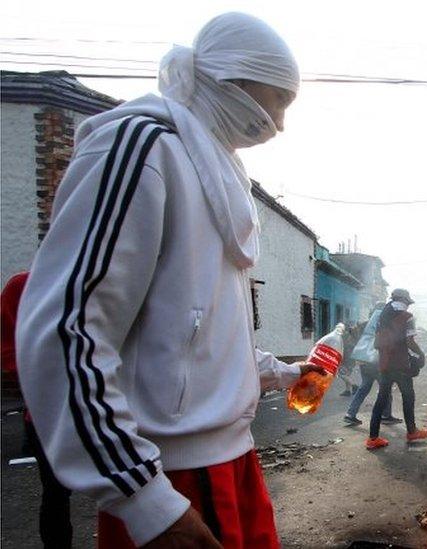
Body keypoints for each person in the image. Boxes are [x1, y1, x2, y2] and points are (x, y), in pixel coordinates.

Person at [14, 13, 324, 547]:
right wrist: (144, 500)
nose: (279, 122)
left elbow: (198, 334)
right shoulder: (139, 147)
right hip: (173, 478)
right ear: (238, 80)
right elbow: (67, 330)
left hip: (234, 459)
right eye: (280, 101)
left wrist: (280, 372)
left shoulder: (217, 166)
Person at [4, 272, 75, 548]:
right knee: (56, 495)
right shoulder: (24, 285)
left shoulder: (108, 279)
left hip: (104, 410)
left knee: (121, 495)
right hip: (49, 417)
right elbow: (6, 340)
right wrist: (35, 384)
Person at [366, 289, 427, 450]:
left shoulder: (383, 315)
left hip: (385, 364)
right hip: (400, 364)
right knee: (408, 396)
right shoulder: (407, 317)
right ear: (405, 301)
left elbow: (378, 340)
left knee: (381, 399)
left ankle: (372, 438)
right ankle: (412, 431)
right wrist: (420, 354)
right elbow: (409, 341)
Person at [345, 303, 394, 425]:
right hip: (376, 362)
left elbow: (351, 339)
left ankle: (350, 414)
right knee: (385, 388)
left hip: (363, 361)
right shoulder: (384, 324)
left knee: (364, 387)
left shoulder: (363, 325)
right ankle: (386, 415)